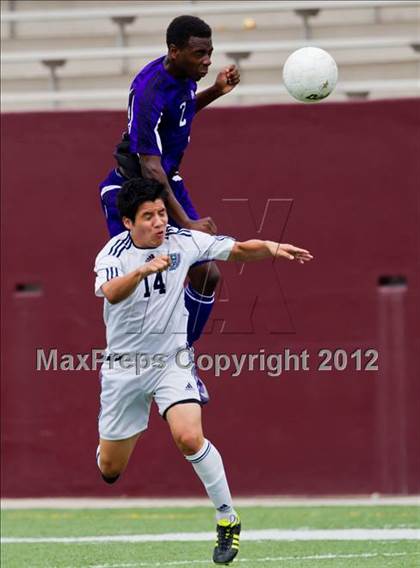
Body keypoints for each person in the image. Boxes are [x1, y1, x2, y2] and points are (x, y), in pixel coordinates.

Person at [94, 178, 313, 565]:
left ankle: (227, 517)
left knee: (189, 437)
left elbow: (240, 250)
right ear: (128, 222)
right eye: (149, 217)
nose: (159, 222)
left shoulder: (182, 241)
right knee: (110, 469)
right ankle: (107, 444)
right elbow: (111, 291)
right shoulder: (113, 253)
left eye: (162, 213)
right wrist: (144, 271)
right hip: (123, 369)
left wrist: (272, 248)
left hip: (171, 360)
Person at [99, 15, 241, 349]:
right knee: (144, 283)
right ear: (174, 51)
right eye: (199, 54)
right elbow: (149, 166)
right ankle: (128, 356)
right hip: (131, 192)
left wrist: (217, 91)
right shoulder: (149, 89)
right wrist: (188, 221)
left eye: (210, 52)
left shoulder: (186, 74)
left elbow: (182, 111)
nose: (207, 61)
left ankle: (180, 355)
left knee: (206, 275)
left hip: (165, 182)